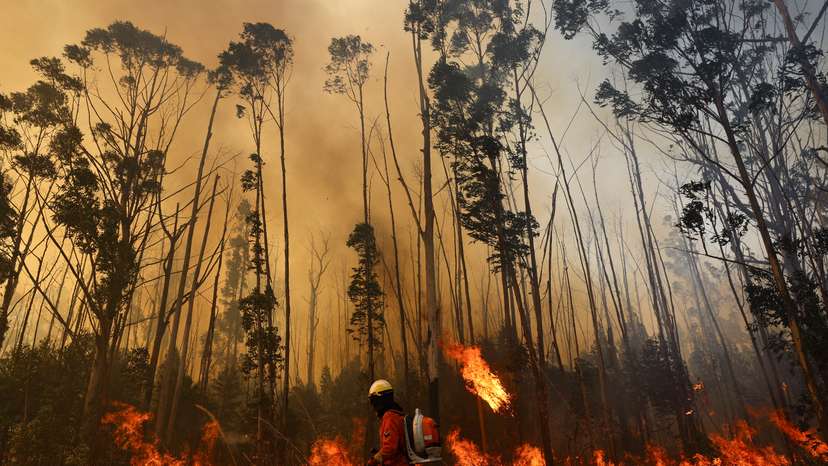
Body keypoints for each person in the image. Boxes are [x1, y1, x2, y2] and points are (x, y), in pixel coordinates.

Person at [366, 379, 409, 466]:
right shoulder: (398, 415)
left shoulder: (390, 417)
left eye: (373, 401)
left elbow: (390, 448)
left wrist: (375, 459)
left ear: (379, 400)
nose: (373, 406)